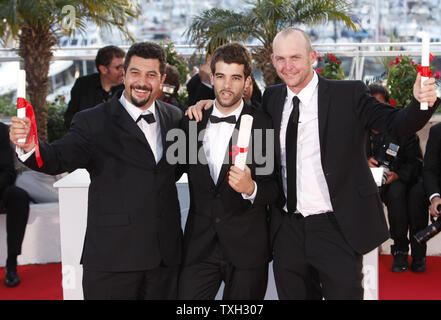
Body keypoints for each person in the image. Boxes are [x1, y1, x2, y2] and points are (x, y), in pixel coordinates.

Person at [187, 27, 439, 299]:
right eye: (281, 59)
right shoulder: (272, 97)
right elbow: (241, 114)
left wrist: (420, 104)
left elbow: (397, 124)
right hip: (287, 231)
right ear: (272, 61)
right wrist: (208, 105)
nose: (288, 66)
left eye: (295, 57)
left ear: (313, 57)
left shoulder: (348, 94)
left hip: (337, 228)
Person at [9, 42, 184, 300]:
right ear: (123, 75)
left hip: (165, 260)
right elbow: (58, 156)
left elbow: (182, 167)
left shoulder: (175, 117)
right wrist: (29, 147)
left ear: (162, 79)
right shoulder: (93, 120)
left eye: (151, 75)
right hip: (113, 259)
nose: (142, 82)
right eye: (135, 73)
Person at [178, 42, 279, 300]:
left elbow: (274, 187)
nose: (226, 85)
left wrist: (251, 189)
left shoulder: (262, 125)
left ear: (247, 82)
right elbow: (168, 172)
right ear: (211, 78)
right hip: (199, 247)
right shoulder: (191, 123)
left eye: (235, 78)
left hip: (247, 249)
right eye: (221, 76)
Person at [367, 84, 423, 273]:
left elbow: (416, 162)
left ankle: (413, 252)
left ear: (387, 105)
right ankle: (398, 250)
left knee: (407, 195)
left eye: (379, 104)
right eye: (371, 104)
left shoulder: (401, 128)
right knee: (394, 193)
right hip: (368, 185)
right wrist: (364, 162)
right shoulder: (356, 130)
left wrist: (397, 175)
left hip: (403, 181)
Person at [64, 45, 126, 129]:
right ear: (103, 69)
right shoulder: (83, 85)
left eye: (125, 66)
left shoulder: (127, 88)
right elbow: (70, 118)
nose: (123, 71)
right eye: (119, 68)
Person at [407, 123, 441, 273]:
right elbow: (429, 170)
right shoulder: (437, 131)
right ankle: (418, 256)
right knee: (417, 194)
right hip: (439, 185)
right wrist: (435, 197)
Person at [0, 122, 30, 287]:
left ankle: (11, 262)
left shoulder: (1, 131)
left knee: (19, 197)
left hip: (0, 189)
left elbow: (8, 171)